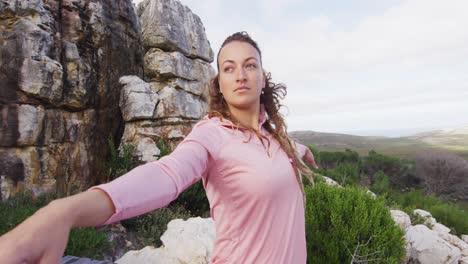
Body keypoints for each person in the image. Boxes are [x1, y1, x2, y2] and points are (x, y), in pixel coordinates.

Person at [0, 31, 318, 264]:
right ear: (219, 81)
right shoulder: (212, 135)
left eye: (250, 65)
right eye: (229, 68)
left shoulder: (274, 135)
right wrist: (64, 212)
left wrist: (300, 150)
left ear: (263, 77)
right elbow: (166, 174)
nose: (240, 75)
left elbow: (278, 150)